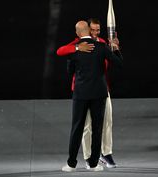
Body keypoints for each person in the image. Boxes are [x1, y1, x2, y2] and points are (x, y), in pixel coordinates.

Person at [59, 20, 122, 172]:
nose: (95, 32)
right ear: (88, 30)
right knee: (94, 128)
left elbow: (70, 70)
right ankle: (92, 162)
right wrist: (115, 49)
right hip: (98, 92)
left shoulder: (78, 49)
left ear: (78, 33)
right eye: (92, 30)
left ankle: (73, 163)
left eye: (97, 30)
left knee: (79, 128)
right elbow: (118, 62)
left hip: (82, 93)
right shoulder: (99, 47)